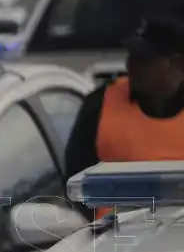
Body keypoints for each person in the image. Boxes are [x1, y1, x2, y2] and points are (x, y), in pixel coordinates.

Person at [65, 16, 184, 216]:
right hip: (115, 241)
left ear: (177, 63)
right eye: (131, 55)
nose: (131, 65)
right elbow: (75, 183)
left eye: (144, 59)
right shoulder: (100, 105)